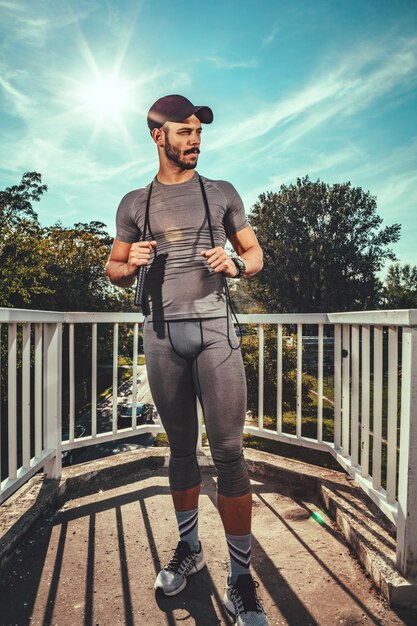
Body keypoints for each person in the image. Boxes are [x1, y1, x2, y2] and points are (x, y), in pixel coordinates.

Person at [106, 94, 268, 626]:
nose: (195, 139)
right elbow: (112, 269)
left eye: (199, 131)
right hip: (161, 335)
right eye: (185, 131)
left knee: (227, 453)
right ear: (159, 136)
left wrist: (236, 264)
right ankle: (190, 548)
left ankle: (241, 577)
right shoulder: (134, 202)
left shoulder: (221, 193)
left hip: (217, 333)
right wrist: (130, 261)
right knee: (179, 450)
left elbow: (255, 254)